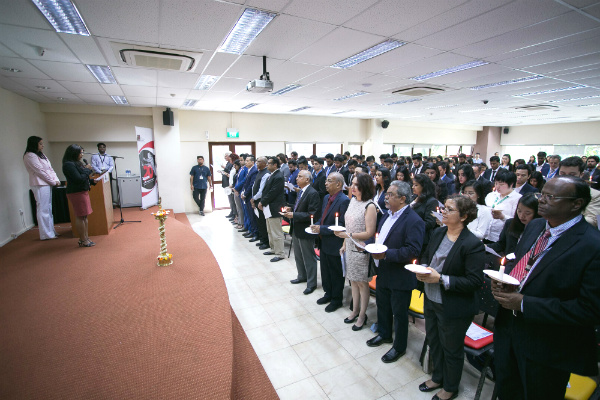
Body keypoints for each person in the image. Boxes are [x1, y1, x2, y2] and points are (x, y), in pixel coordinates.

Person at [492, 176, 600, 400]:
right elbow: (523, 261)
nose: (541, 201)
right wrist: (505, 277)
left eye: (551, 197)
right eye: (542, 194)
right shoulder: (536, 225)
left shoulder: (592, 245)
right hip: (508, 329)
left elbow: (589, 309)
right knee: (506, 389)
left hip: (547, 344)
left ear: (576, 204)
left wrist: (524, 303)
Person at [416, 196, 485, 400]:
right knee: (434, 339)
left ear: (463, 216)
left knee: (452, 347)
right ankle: (438, 376)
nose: (443, 212)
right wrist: (423, 267)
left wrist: (442, 278)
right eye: (443, 208)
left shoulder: (472, 244)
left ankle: (451, 387)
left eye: (449, 209)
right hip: (431, 297)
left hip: (453, 305)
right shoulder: (438, 233)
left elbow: (474, 281)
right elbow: (428, 257)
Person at [366, 181, 424, 363]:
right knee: (383, 305)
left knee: (399, 314)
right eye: (387, 194)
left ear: (402, 198)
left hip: (400, 275)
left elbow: (413, 250)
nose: (386, 197)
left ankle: (399, 347)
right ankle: (384, 334)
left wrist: (386, 254)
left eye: (390, 194)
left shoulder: (414, 221)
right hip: (384, 270)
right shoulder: (386, 216)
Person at [334, 174, 377, 331]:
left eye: (356, 185)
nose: (352, 187)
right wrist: (345, 242)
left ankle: (362, 315)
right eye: (352, 184)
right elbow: (348, 226)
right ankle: (354, 310)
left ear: (364, 187)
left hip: (361, 249)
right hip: (350, 248)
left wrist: (349, 237)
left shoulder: (370, 206)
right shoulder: (352, 200)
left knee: (362, 283)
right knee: (352, 281)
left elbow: (369, 233)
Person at [311, 172, 350, 312]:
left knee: (335, 272)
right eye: (326, 181)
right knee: (325, 270)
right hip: (324, 240)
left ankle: (336, 299)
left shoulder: (344, 200)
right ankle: (328, 293)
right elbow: (323, 217)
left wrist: (321, 228)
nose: (325, 183)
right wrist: (315, 225)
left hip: (334, 242)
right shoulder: (327, 197)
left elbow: (341, 224)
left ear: (338, 184)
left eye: (329, 181)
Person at [284, 170, 321, 293]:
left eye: (300, 177)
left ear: (307, 179)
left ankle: (311, 283)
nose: (296, 178)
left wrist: (294, 214)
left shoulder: (312, 193)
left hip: (305, 229)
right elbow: (300, 207)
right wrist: (291, 207)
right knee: (298, 255)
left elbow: (312, 214)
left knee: (308, 257)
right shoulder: (301, 191)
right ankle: (302, 276)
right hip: (296, 228)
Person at [23, 136, 61, 240]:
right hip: (39, 184)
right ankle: (45, 234)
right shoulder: (29, 155)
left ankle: (51, 231)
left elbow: (50, 169)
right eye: (40, 143)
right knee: (43, 209)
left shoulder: (41, 155)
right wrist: (53, 182)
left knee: (48, 208)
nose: (42, 145)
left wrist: (56, 179)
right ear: (34, 144)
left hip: (47, 183)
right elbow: (40, 171)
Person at [62, 144, 95, 247]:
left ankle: (86, 237)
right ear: (74, 153)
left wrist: (92, 181)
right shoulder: (68, 164)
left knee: (84, 216)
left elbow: (83, 178)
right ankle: (83, 239)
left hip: (82, 191)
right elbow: (78, 179)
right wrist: (87, 170)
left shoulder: (77, 163)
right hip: (76, 193)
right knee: (81, 216)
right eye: (80, 152)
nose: (82, 154)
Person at [488, 193, 539, 257]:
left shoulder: (539, 230)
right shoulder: (510, 223)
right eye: (519, 211)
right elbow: (501, 245)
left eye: (527, 213)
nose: (522, 216)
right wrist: (484, 247)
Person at [558, 156, 600, 227]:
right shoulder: (552, 190)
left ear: (581, 175)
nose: (566, 178)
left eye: (572, 175)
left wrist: (562, 222)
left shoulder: (594, 194)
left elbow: (592, 220)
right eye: (562, 174)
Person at [259, 156, 286, 262]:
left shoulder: (278, 176)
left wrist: (262, 201)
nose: (267, 165)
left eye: (269, 163)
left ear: (275, 165)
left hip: (274, 207)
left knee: (276, 232)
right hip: (269, 207)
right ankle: (273, 249)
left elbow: (272, 193)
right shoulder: (272, 175)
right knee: (270, 230)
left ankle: (280, 253)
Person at [485, 170, 522, 242]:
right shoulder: (491, 195)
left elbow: (517, 220)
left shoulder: (518, 199)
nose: (497, 187)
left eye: (501, 184)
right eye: (496, 183)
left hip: (502, 237)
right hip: (486, 235)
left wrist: (503, 217)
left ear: (511, 184)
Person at [411, 174, 439, 252]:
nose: (413, 187)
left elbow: (430, 223)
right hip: (412, 234)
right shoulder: (414, 197)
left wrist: (413, 226)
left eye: (416, 185)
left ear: (423, 186)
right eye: (413, 184)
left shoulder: (432, 201)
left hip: (423, 238)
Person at [250, 157, 270, 247]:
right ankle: (262, 239)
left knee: (263, 221)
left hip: (261, 201)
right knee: (259, 221)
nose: (257, 163)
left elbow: (261, 191)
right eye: (257, 161)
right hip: (256, 200)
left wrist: (254, 198)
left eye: (259, 162)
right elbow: (254, 186)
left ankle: (266, 241)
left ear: (265, 163)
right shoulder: (259, 172)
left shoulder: (266, 174)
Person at [234, 155, 248, 231]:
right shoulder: (241, 169)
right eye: (240, 160)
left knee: (242, 209)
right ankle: (241, 222)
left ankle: (242, 223)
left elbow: (244, 180)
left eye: (242, 160)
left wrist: (236, 188)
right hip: (238, 190)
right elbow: (238, 180)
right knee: (239, 208)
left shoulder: (246, 169)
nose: (240, 162)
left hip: (241, 190)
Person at [221, 151, 235, 219]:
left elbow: (230, 174)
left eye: (226, 156)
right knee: (230, 200)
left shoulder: (232, 164)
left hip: (231, 185)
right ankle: (232, 212)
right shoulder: (228, 163)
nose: (225, 157)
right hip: (227, 184)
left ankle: (234, 214)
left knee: (232, 200)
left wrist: (224, 170)